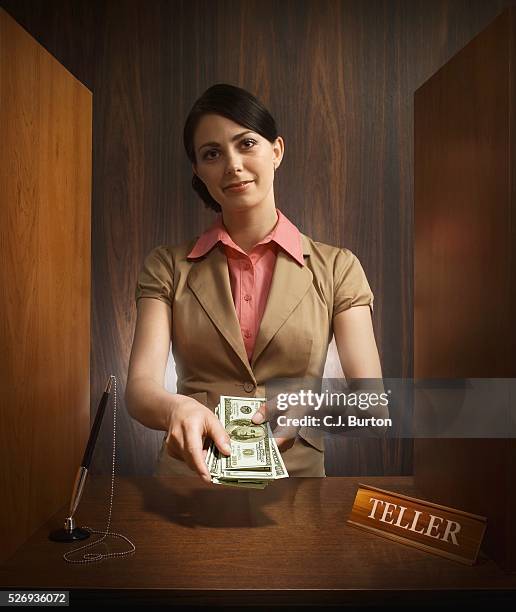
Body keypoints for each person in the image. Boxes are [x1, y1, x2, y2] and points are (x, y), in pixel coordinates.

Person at [125, 83, 386, 482]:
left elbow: (372, 402)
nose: (232, 164)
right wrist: (176, 408)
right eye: (212, 154)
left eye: (246, 143)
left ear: (276, 150)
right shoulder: (166, 266)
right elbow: (140, 389)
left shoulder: (339, 268)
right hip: (188, 482)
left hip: (296, 488)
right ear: (199, 170)